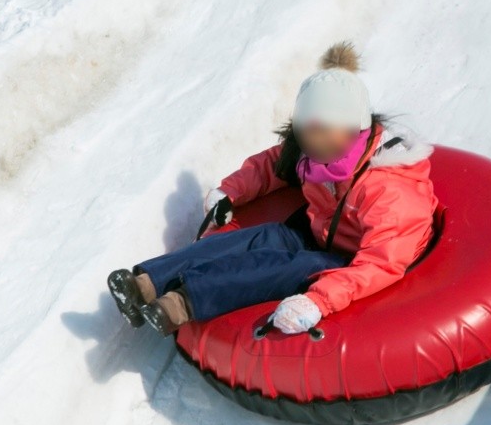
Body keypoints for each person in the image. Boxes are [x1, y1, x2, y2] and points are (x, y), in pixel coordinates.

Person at [106, 43, 437, 338]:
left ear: (354, 130)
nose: (311, 148)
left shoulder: (389, 190)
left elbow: (381, 263)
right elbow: (274, 163)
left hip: (355, 260)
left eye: (321, 137)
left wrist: (318, 300)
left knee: (283, 266)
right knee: (256, 239)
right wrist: (231, 192)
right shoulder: (319, 152)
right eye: (307, 135)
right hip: (319, 233)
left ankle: (179, 306)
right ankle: (146, 286)